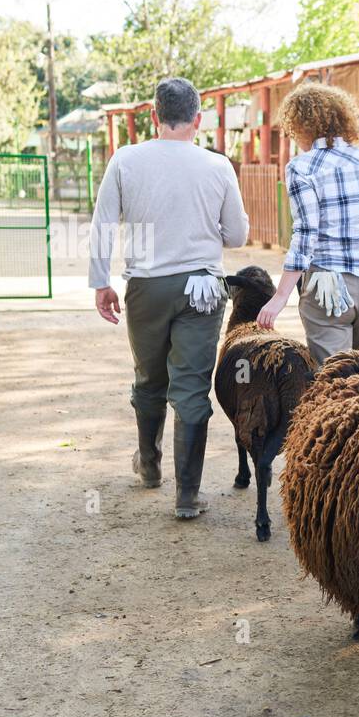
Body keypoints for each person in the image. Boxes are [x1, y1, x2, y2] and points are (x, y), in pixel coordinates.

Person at [90, 77, 249, 519]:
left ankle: (150, 468)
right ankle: (188, 496)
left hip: (146, 286)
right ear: (198, 119)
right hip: (201, 288)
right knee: (191, 388)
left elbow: (103, 224)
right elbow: (235, 235)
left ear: (154, 116)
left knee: (149, 378)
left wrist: (101, 281)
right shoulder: (218, 167)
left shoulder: (126, 159)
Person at [255, 83, 359, 358]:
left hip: (328, 289)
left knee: (334, 384)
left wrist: (281, 295)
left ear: (299, 125)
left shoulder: (301, 167)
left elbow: (306, 234)